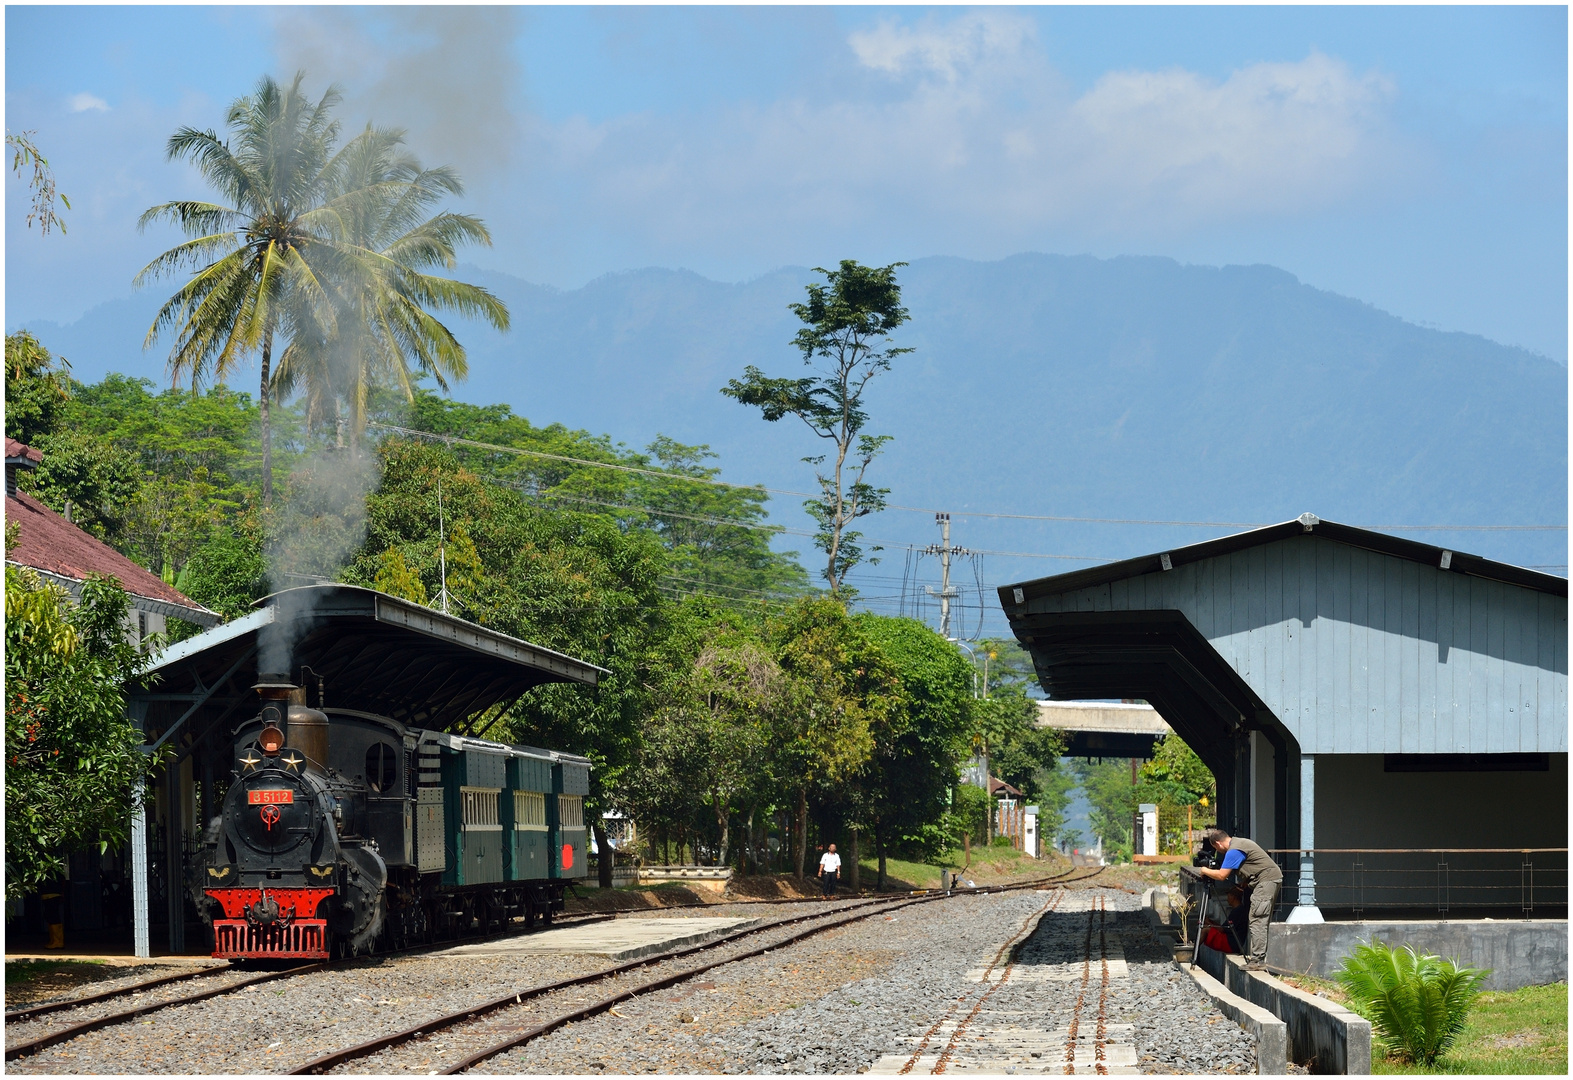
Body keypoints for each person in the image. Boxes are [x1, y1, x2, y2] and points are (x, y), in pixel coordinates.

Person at [1194, 827, 1282, 970]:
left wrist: (1204, 870)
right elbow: (1255, 865)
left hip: (1266, 882)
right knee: (1258, 919)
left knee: (1257, 919)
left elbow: (1222, 876)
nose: (1218, 852)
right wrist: (1246, 881)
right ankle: (1258, 959)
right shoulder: (1240, 843)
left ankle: (1257, 961)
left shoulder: (1233, 850)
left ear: (1218, 844)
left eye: (1216, 849)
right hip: (1268, 880)